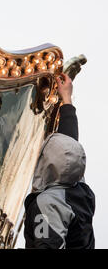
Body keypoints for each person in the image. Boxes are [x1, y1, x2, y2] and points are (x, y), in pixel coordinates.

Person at [24, 73, 95, 249]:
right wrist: (67, 100)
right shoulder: (80, 190)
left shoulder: (48, 203)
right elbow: (68, 151)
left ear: (47, 163)